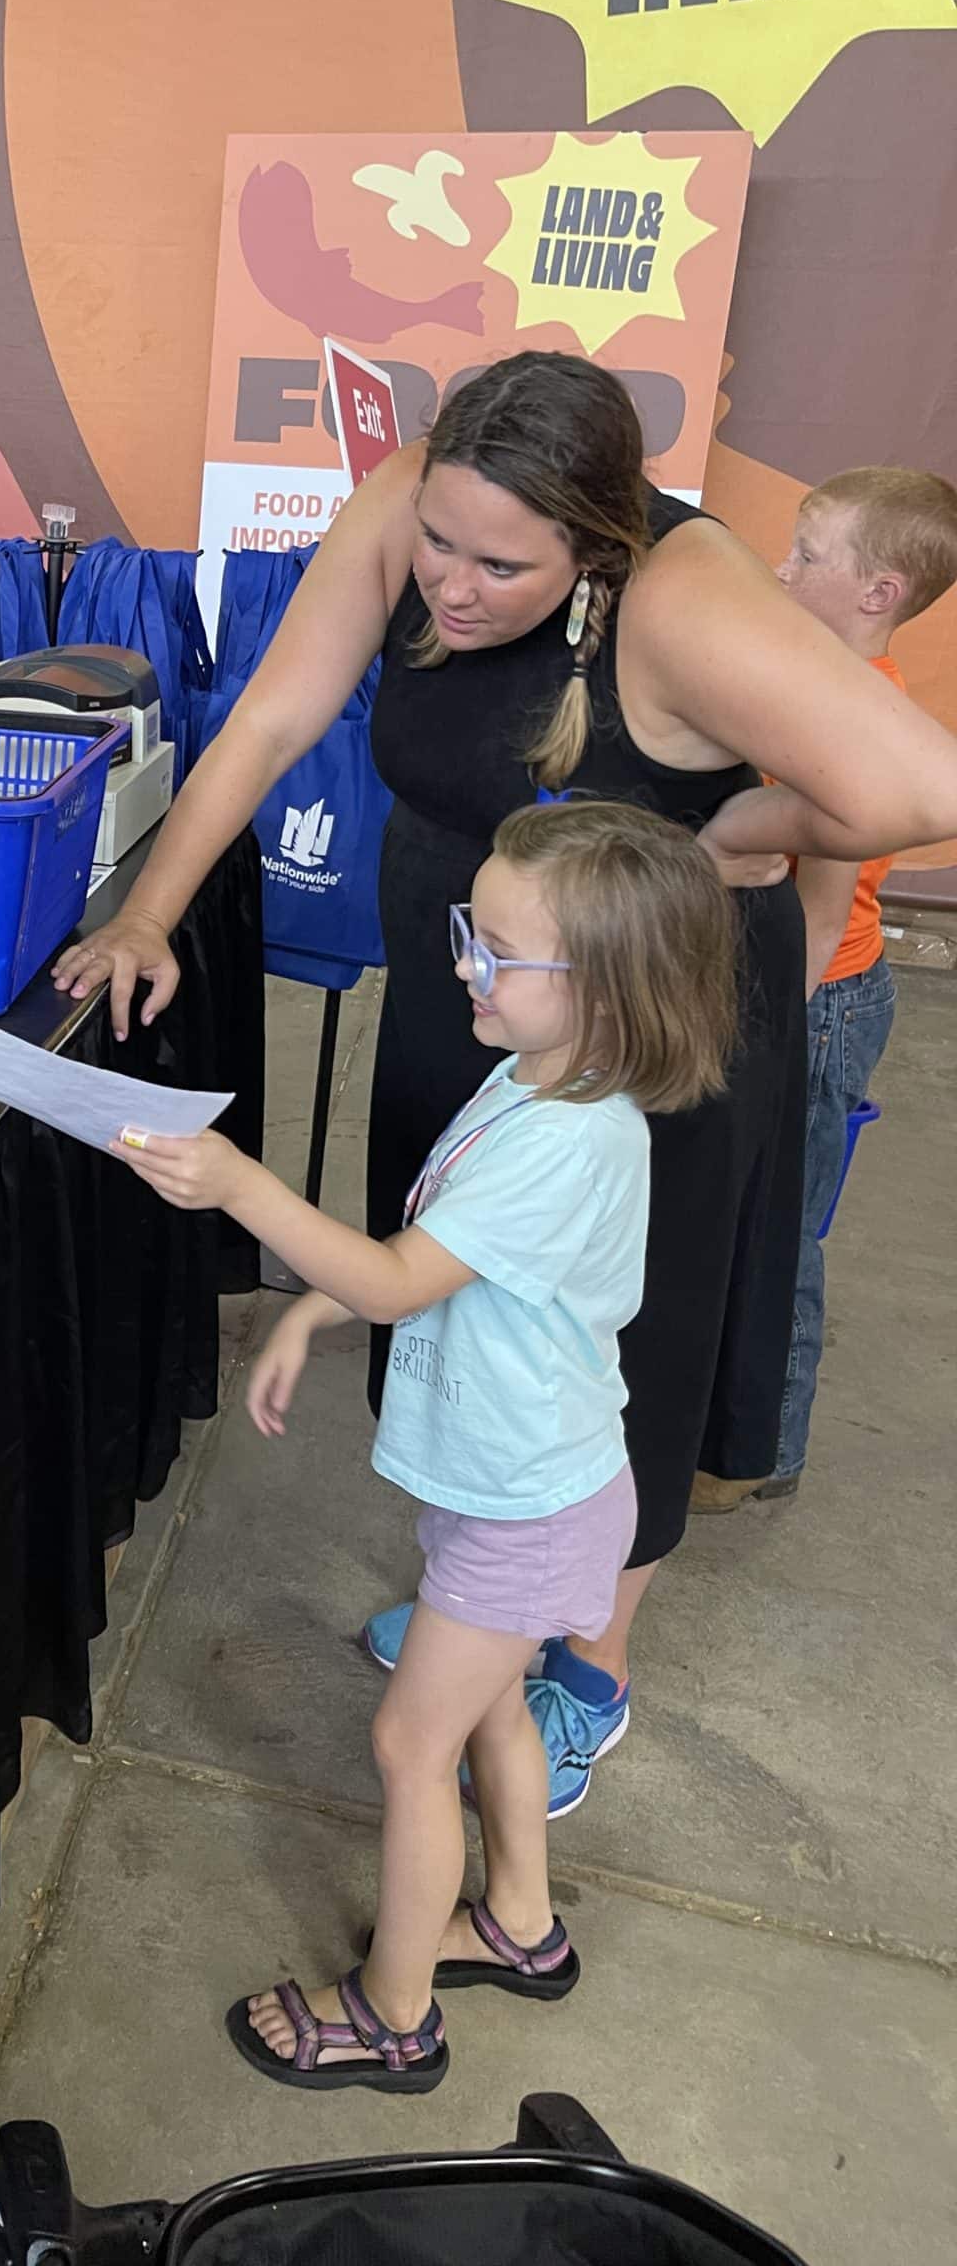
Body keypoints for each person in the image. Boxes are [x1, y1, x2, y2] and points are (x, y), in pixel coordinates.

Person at [56, 352, 957, 1813]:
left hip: (647, 1010)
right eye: (439, 547)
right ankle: (503, 1595)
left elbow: (923, 786)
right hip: (472, 961)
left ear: (597, 548)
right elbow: (278, 718)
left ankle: (587, 1668)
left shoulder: (683, 591)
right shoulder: (412, 501)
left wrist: (729, 829)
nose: (452, 590)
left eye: (502, 566)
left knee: (627, 1347)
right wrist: (152, 908)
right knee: (465, 1294)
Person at [115, 803, 738, 2090]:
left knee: (413, 1743)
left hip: (529, 1506)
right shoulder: (535, 1077)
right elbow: (439, 1250)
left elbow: (407, 1278)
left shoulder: (570, 1139)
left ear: (608, 996)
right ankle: (518, 1923)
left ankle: (395, 2015)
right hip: (518, 1482)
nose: (466, 964)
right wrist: (316, 1301)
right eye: (472, 930)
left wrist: (246, 1189)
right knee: (491, 1701)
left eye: (499, 950)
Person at [693, 467, 957, 1512]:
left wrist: (781, 1033)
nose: (781, 567)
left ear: (878, 591)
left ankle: (768, 1445)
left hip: (821, 995)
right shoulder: (805, 679)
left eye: (809, 556)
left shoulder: (855, 712)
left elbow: (820, 901)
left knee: (783, 1221)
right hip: (798, 985)